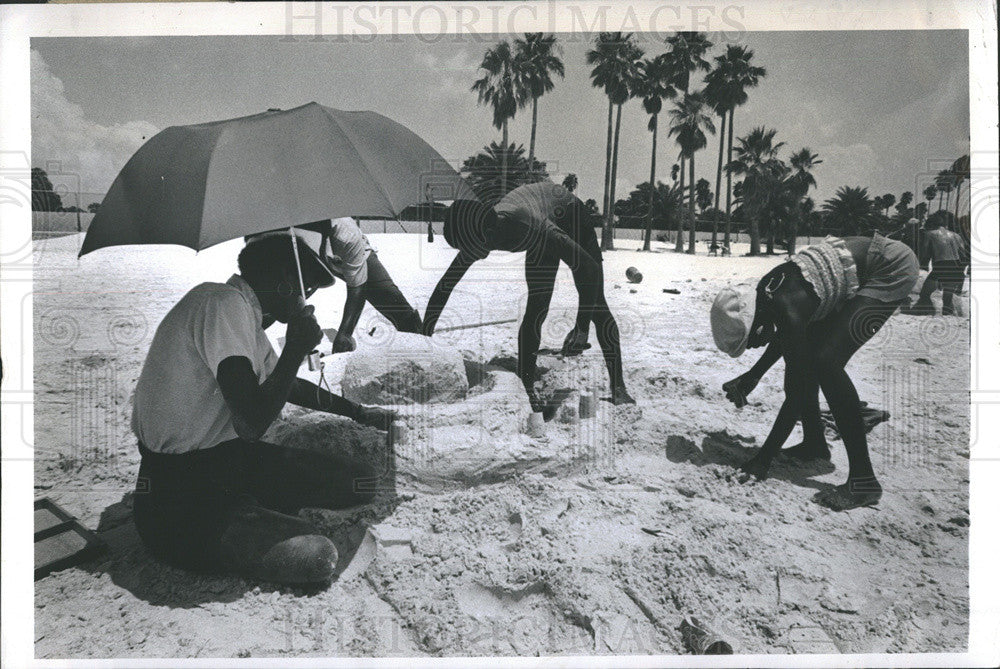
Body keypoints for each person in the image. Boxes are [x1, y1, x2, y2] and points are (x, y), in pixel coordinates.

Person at [131, 233, 394, 584]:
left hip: (229, 462)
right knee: (317, 557)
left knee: (360, 481)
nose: (306, 299)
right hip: (179, 494)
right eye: (306, 288)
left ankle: (251, 507)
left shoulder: (239, 311)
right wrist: (295, 349)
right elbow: (251, 422)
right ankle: (244, 516)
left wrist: (355, 411)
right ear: (286, 281)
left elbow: (286, 385)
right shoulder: (222, 305)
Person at [712, 233, 918, 511]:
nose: (754, 347)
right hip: (852, 269)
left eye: (751, 343)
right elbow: (787, 337)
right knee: (807, 361)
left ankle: (864, 481)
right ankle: (814, 445)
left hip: (890, 266)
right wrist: (752, 376)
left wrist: (763, 460)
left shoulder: (788, 310)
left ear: (756, 327)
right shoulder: (769, 295)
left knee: (826, 362)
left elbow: (796, 391)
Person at [421, 182, 635, 414]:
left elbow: (589, 269)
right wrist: (424, 335)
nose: (469, 253)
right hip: (540, 221)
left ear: (490, 234)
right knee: (537, 306)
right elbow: (445, 285)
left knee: (596, 307)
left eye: (469, 246)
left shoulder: (528, 225)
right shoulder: (481, 229)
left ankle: (619, 387)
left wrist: (581, 327)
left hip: (571, 215)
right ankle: (527, 385)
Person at [255, 217, 423, 354]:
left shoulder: (346, 235)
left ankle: (421, 339)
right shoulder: (281, 235)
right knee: (279, 298)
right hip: (311, 258)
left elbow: (357, 287)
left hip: (351, 257)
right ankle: (253, 328)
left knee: (392, 302)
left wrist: (345, 333)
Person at [902, 216, 969, 316]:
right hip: (957, 267)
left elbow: (925, 253)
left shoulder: (930, 234)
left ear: (931, 225)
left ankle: (928, 310)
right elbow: (963, 254)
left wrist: (920, 265)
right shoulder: (956, 235)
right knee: (947, 297)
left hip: (941, 266)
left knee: (925, 293)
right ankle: (950, 312)